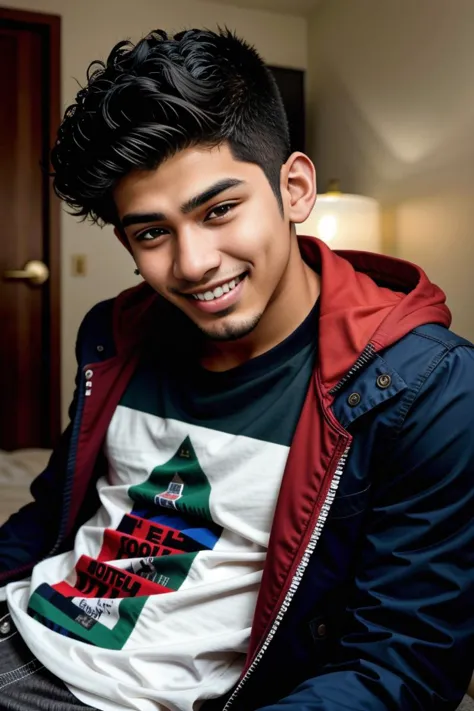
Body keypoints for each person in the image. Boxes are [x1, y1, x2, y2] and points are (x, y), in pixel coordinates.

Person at [0, 26, 473, 711]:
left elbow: (400, 659)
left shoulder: (427, 386)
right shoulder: (113, 332)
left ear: (296, 189)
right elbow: (53, 510)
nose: (192, 264)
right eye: (152, 232)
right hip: (23, 623)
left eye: (220, 210)